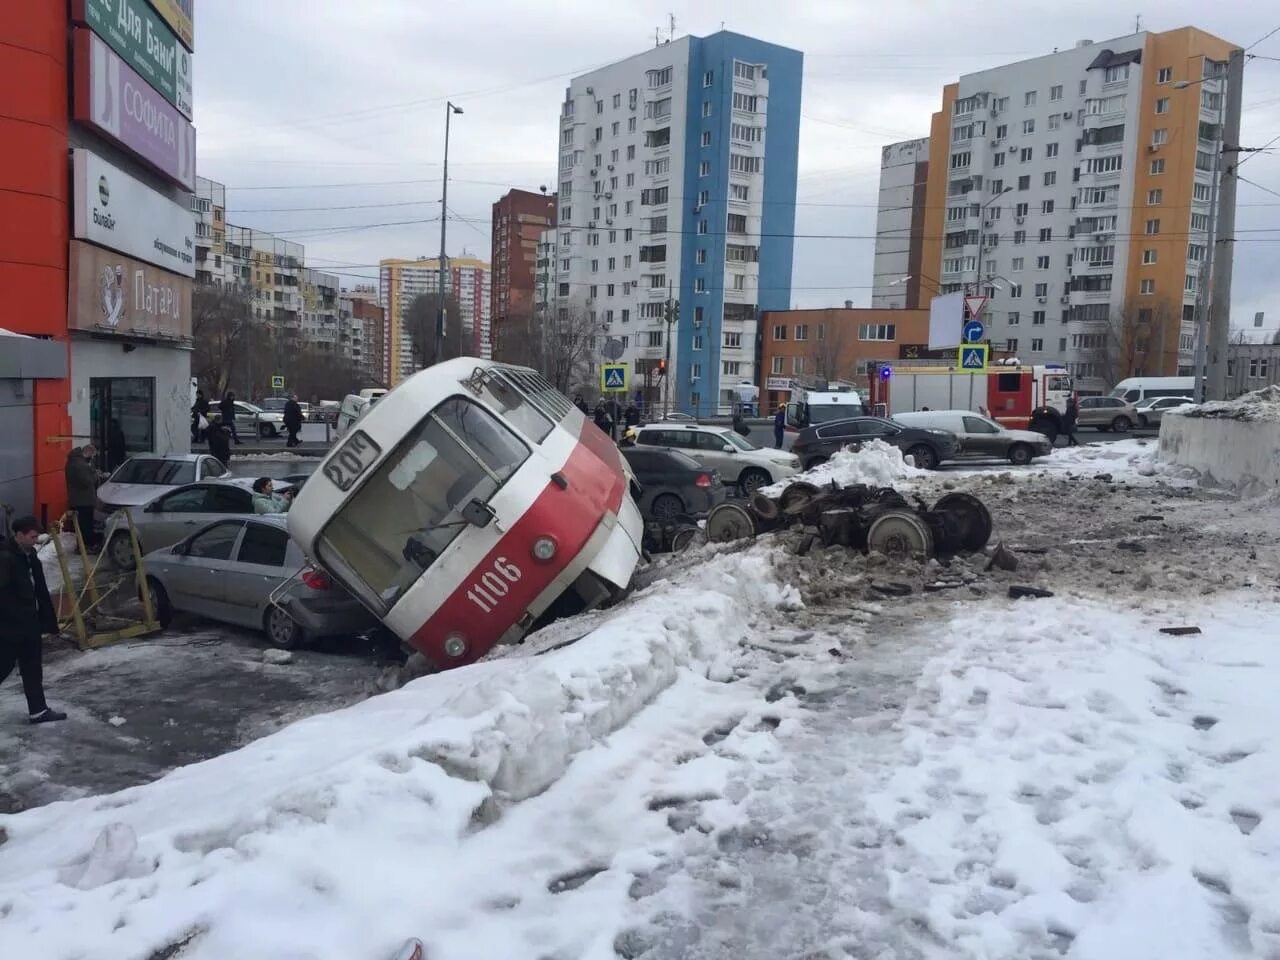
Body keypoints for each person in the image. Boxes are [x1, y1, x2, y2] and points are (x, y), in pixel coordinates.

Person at [1, 516, 67, 724]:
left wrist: (46, 621)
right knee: (3, 666)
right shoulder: (6, 558)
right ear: (18, 535)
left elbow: (39, 591)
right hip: (11, 626)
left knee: (32, 668)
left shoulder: (30, 556)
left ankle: (38, 710)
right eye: (32, 536)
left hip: (30, 623)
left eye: (37, 536)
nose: (36, 540)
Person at [64, 444, 103, 550]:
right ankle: (86, 546)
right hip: (83, 500)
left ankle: (83, 545)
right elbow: (88, 481)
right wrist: (95, 474)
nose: (92, 458)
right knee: (86, 525)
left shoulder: (74, 462)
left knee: (82, 525)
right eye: (92, 455)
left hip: (78, 499)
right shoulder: (80, 465)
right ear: (88, 452)